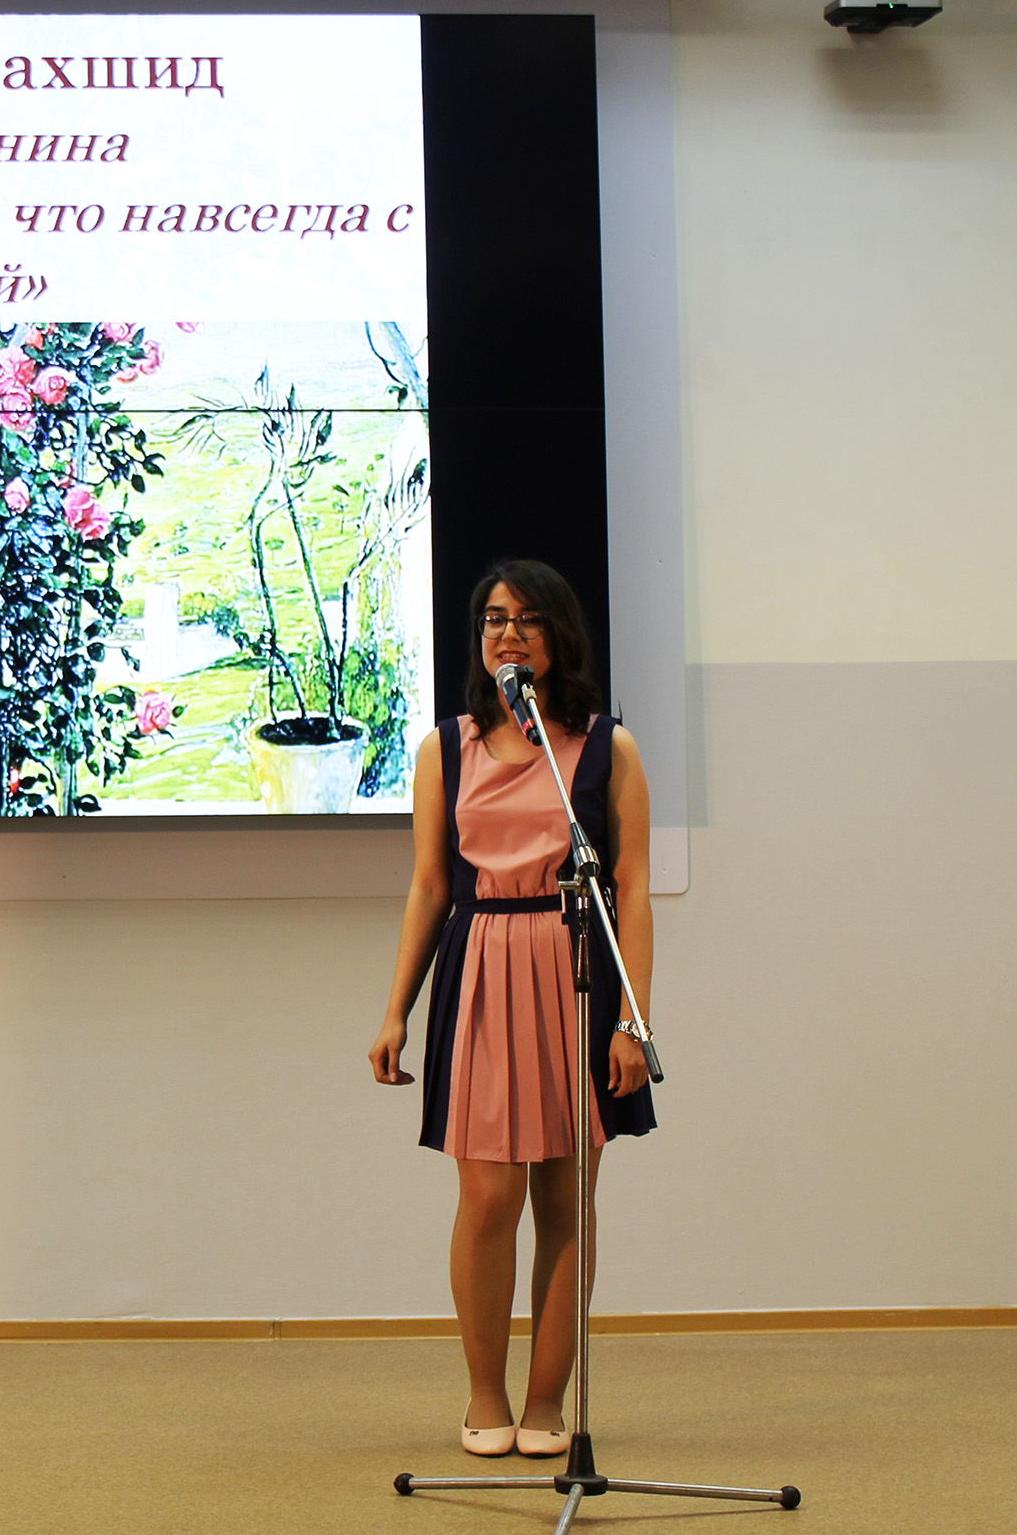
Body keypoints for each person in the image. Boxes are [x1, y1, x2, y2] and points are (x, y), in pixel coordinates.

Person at [368, 559, 656, 1460]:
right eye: (494, 619)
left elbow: (632, 891)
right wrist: (396, 1009)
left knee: (564, 1196)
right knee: (489, 1196)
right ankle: (485, 1393)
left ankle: (546, 1402)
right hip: (482, 968)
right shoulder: (444, 749)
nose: (508, 635)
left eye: (527, 620)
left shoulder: (608, 748)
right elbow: (428, 886)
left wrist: (632, 1021)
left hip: (576, 968)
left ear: (559, 635)